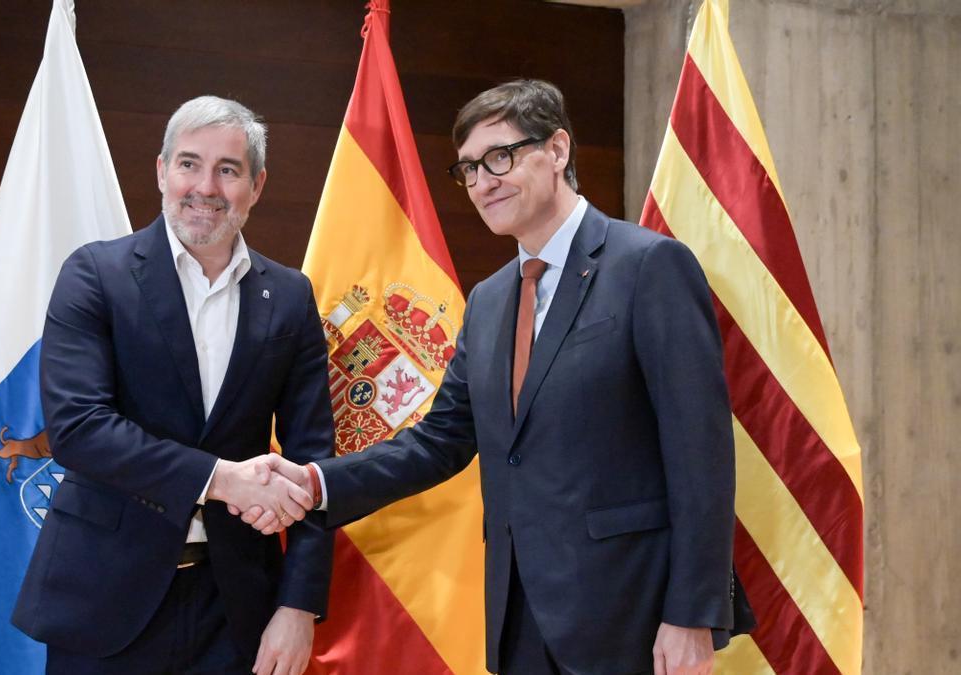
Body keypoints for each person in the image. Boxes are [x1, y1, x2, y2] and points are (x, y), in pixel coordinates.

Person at [250, 80, 746, 674]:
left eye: (500, 158)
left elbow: (701, 454)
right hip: (519, 621)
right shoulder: (488, 302)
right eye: (467, 170)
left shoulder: (648, 266)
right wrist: (314, 483)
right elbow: (439, 442)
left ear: (558, 150)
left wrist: (692, 614)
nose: (483, 182)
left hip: (630, 616)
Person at [12, 95, 335, 675]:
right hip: (105, 598)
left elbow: (313, 461)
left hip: (238, 609)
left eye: (228, 170)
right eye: (189, 164)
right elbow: (79, 430)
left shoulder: (289, 298)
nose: (204, 186)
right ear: (162, 171)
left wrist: (298, 605)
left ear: (256, 186)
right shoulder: (94, 274)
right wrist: (221, 480)